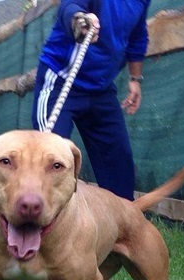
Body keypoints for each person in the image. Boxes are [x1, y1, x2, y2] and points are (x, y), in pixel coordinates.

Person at [32, 0, 151, 201]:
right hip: (60, 80)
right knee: (50, 158)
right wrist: (80, 20)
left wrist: (135, 79)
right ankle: (35, 215)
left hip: (101, 88)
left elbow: (138, 35)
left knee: (119, 162)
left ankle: (120, 219)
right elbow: (69, 6)